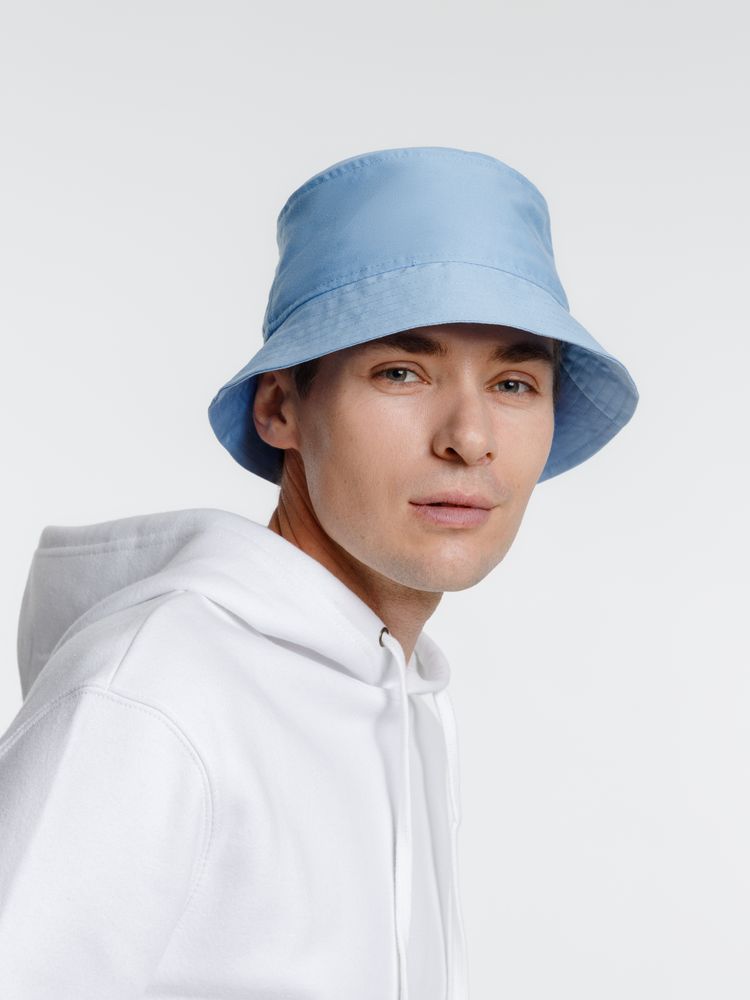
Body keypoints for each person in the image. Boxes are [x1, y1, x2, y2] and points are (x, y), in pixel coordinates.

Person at [0, 146, 638, 1000]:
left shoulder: (398, 694)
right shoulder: (156, 694)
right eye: (401, 372)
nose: (470, 437)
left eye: (515, 382)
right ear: (281, 408)